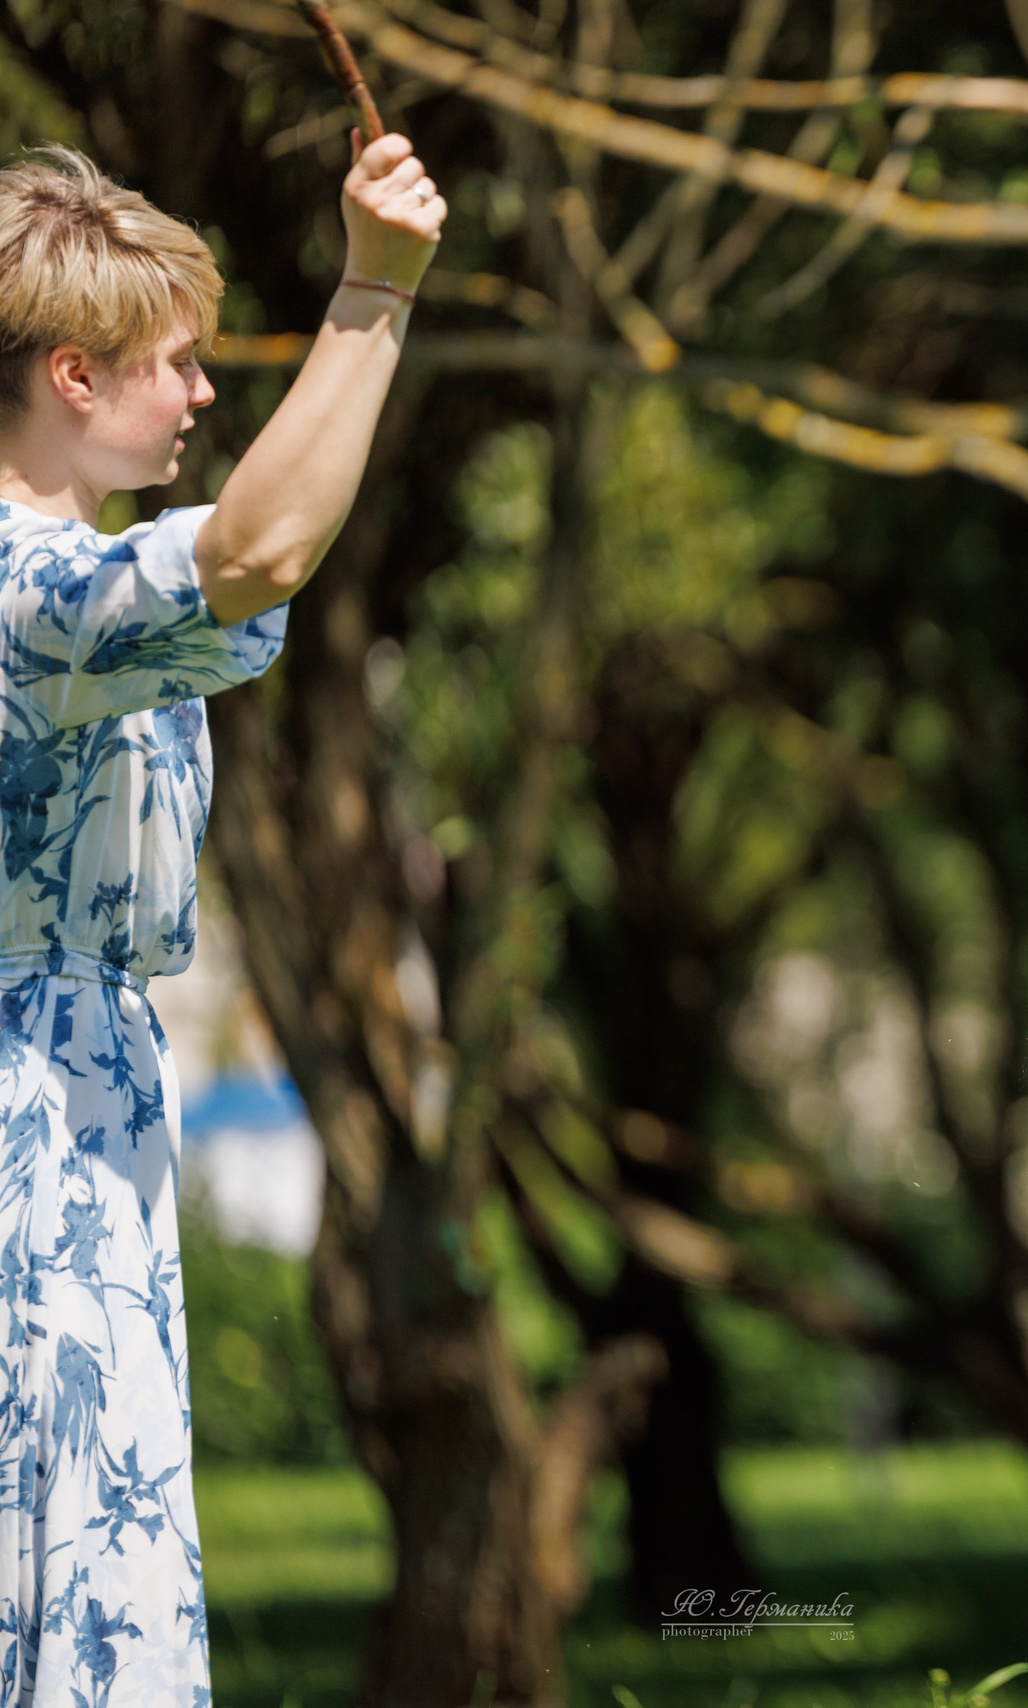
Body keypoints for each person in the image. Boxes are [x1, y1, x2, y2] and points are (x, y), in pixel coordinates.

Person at [0, 132, 441, 1702]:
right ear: (70, 373)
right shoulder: (30, 596)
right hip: (29, 1130)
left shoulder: (78, 588)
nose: (200, 396)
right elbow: (258, 549)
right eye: (174, 363)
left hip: (82, 1101)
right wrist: (375, 289)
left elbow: (258, 555)